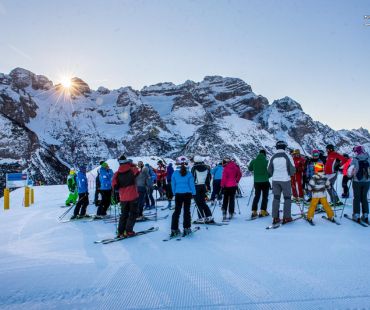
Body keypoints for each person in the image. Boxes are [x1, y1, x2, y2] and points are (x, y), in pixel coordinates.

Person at [267, 141, 296, 225]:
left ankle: (275, 218)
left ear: (277, 147)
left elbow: (269, 169)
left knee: (276, 198)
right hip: (285, 180)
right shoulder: (288, 156)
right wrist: (289, 174)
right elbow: (293, 169)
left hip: (275, 180)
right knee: (287, 198)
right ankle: (287, 217)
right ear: (284, 147)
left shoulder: (272, 157)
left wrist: (274, 174)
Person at [112, 155, 140, 237]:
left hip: (123, 197)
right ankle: (129, 231)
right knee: (133, 213)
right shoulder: (132, 169)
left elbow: (114, 185)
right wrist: (131, 165)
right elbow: (137, 171)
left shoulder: (117, 174)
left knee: (124, 214)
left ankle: (120, 231)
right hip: (133, 196)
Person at [170, 156, 196, 237]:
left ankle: (174, 229)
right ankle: (187, 228)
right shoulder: (189, 173)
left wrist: (174, 193)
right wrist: (194, 193)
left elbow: (173, 184)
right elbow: (191, 184)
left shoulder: (174, 173)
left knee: (177, 211)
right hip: (187, 194)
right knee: (186, 211)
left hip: (178, 194)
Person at [347, 146, 370, 223]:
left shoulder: (355, 159)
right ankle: (365, 215)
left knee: (357, 198)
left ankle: (356, 215)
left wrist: (349, 176)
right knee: (364, 197)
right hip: (367, 181)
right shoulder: (368, 158)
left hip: (357, 181)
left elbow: (350, 171)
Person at [191, 156, 214, 222]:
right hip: (204, 186)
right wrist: (208, 187)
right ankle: (209, 216)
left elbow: (192, 178)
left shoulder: (194, 168)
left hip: (196, 186)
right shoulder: (207, 167)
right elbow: (208, 178)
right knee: (203, 202)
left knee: (198, 203)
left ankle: (201, 217)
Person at [248, 150, 270, 218]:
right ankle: (263, 211)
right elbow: (270, 170)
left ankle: (254, 212)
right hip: (265, 181)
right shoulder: (267, 161)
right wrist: (267, 176)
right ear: (265, 154)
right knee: (265, 197)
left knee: (257, 196)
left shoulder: (254, 161)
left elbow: (250, 169)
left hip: (257, 182)